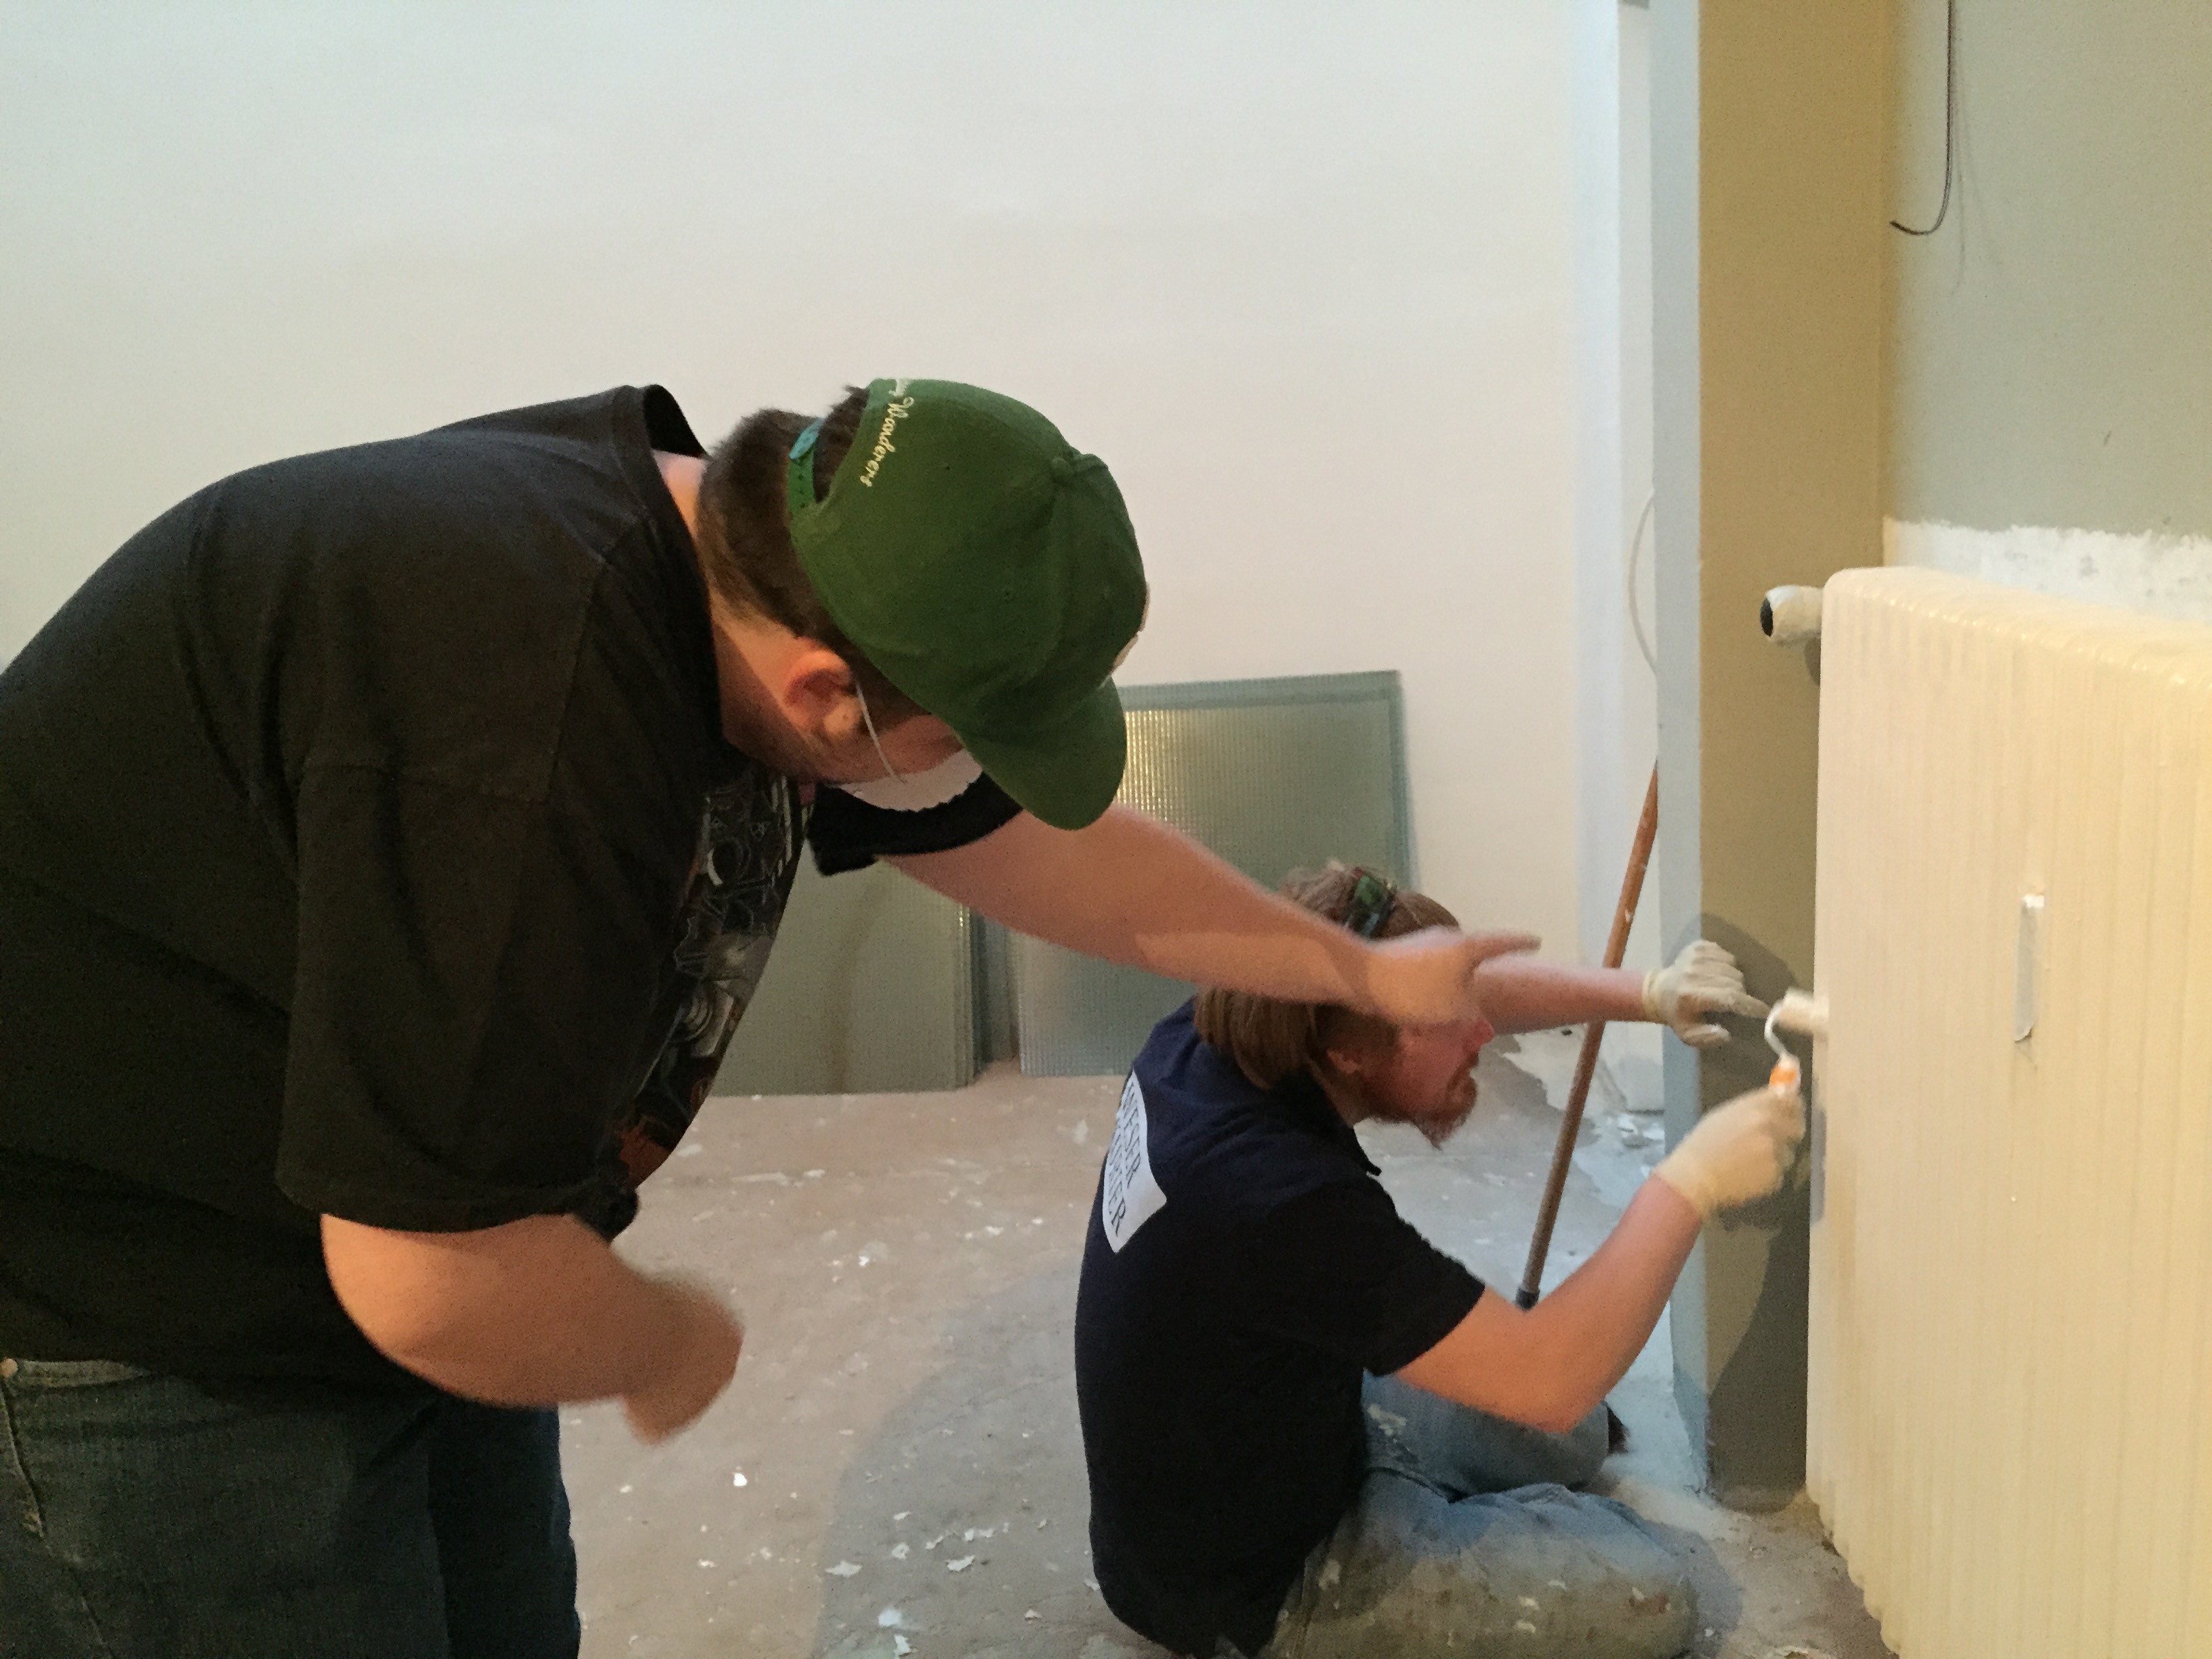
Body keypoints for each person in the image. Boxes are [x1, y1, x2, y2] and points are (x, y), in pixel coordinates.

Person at [0, 380, 1537, 1658]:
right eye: (963, 734)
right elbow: (432, 1276)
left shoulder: (751, 558)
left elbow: (1037, 848)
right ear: (823, 693)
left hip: (420, 1199)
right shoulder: (533, 729)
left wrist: (1349, 969)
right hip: (144, 1306)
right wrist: (661, 1335)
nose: (972, 771)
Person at [1073, 864, 1802, 1659]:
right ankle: (1408, 1536)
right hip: (1256, 1581)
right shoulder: (1280, 1200)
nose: (1484, 1034)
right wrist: (1692, 1181)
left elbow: (1442, 993)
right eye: (1452, 1021)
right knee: (1651, 1594)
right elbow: (1550, 1378)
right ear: (1350, 1054)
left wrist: (1651, 993)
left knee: (1577, 1439)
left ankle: (1424, 1501)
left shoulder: (1223, 1030)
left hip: (1293, 1421)